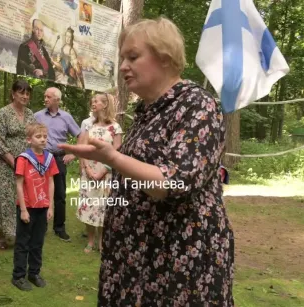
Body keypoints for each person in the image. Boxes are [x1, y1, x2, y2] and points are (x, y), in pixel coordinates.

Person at [59, 17, 234, 306]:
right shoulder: (146, 112)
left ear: (164, 57)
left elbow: (173, 182)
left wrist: (113, 158)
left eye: (133, 56)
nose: (124, 66)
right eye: (122, 58)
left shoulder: (197, 105)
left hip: (177, 260)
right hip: (135, 257)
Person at [0, 80, 36, 249]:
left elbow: (34, 137)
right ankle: (2, 234)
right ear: (13, 94)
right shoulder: (4, 113)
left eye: (27, 93)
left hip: (27, 162)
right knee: (6, 198)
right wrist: (14, 162)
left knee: (23, 197)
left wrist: (32, 159)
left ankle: (22, 232)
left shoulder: (30, 114)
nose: (25, 96)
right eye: (21, 92)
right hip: (6, 163)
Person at [11, 123, 58, 291]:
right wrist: (23, 209)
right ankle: (18, 276)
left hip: (43, 206)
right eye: (39, 137)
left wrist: (51, 206)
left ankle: (34, 273)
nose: (43, 139)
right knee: (23, 243)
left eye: (45, 136)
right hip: (27, 207)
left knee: (37, 242)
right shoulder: (23, 158)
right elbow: (18, 184)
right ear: (29, 139)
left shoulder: (49, 158)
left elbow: (51, 182)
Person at [76, 93, 122, 253]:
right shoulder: (89, 126)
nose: (93, 103)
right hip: (89, 174)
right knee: (89, 205)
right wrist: (88, 170)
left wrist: (103, 170)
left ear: (105, 104)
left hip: (106, 174)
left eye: (96, 101)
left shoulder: (115, 128)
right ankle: (90, 241)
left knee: (103, 208)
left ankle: (102, 242)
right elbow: (82, 150)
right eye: (92, 100)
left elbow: (118, 151)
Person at [34, 87, 80, 242]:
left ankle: (59, 228)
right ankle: (40, 226)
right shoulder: (37, 116)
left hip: (60, 159)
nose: (45, 99)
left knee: (60, 194)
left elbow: (80, 136)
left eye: (48, 96)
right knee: (40, 191)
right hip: (41, 157)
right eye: (44, 96)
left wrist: (73, 154)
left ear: (57, 100)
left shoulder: (66, 117)